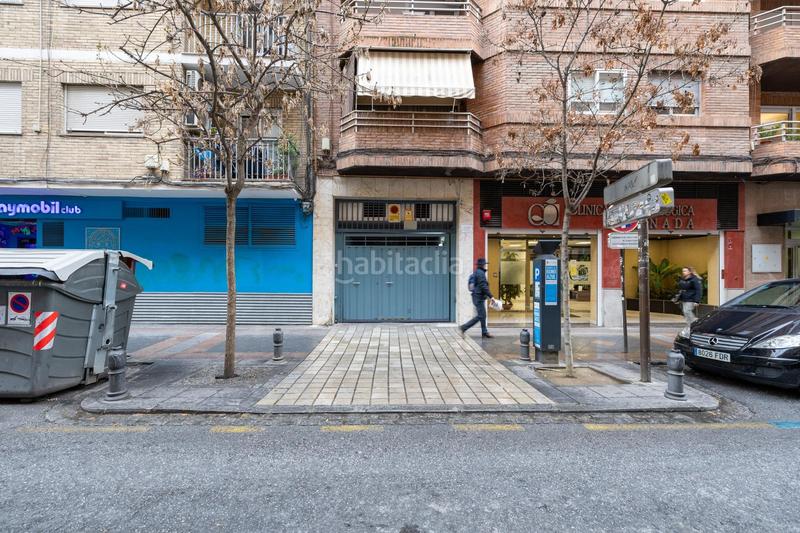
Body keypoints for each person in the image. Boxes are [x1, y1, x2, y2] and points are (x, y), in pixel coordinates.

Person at [460, 258, 495, 338]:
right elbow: (483, 286)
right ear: (482, 265)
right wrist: (491, 296)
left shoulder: (478, 272)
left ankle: (484, 332)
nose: (486, 265)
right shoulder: (480, 273)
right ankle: (463, 327)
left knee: (483, 315)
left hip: (478, 297)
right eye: (485, 264)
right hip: (478, 297)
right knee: (481, 316)